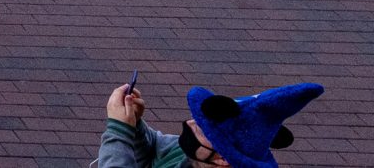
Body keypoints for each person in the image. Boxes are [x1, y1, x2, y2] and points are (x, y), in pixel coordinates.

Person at [98, 77, 321, 168]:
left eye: (205, 129)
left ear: (224, 158)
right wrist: (135, 124)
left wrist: (119, 130)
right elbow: (156, 148)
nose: (191, 123)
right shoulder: (193, 157)